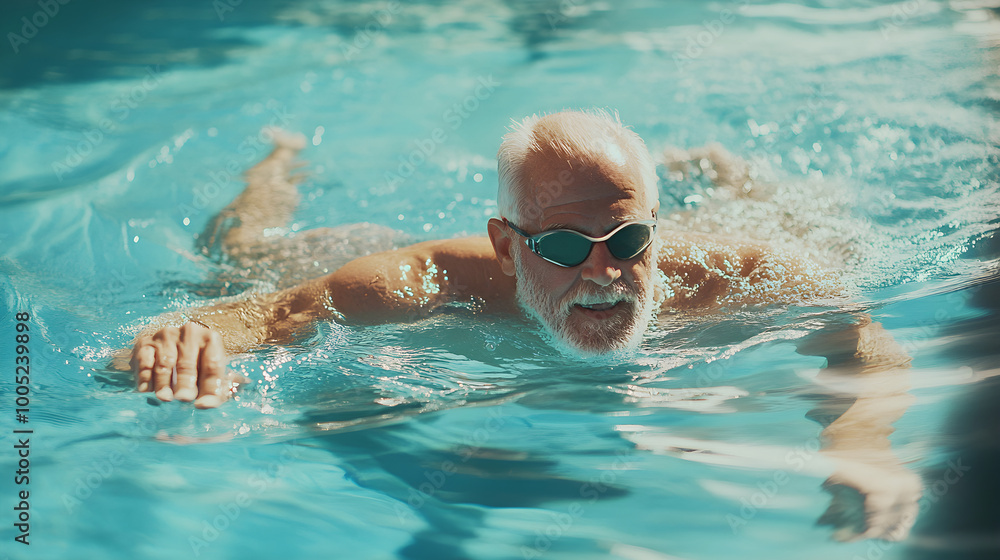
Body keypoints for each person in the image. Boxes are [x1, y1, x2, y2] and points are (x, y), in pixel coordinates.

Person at [113, 110, 921, 541]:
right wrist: (181, 336)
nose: (601, 273)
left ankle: (717, 170)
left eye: (628, 241)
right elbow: (254, 313)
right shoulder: (424, 282)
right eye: (565, 247)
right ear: (506, 243)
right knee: (244, 257)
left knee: (818, 225)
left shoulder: (734, 278)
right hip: (352, 249)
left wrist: (863, 447)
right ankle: (277, 164)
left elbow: (863, 336)